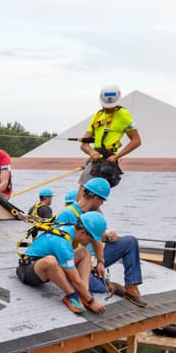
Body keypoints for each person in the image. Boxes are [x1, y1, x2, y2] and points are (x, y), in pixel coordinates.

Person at [15, 203, 105, 314]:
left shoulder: (71, 227)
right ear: (82, 232)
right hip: (28, 270)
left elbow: (92, 242)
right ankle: (71, 295)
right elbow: (75, 279)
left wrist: (101, 261)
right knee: (51, 261)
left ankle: (84, 293)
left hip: (43, 264)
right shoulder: (62, 244)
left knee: (84, 251)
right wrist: (91, 302)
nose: (90, 243)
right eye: (90, 240)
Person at [70, 177, 143, 305]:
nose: (102, 203)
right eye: (102, 200)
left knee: (130, 242)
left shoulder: (95, 212)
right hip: (81, 259)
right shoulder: (69, 214)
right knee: (97, 287)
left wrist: (107, 237)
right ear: (96, 198)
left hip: (96, 257)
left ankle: (132, 286)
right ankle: (105, 283)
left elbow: (98, 237)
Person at [78, 85, 141, 185]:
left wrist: (117, 156)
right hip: (94, 162)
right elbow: (83, 144)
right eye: (106, 106)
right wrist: (92, 152)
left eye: (111, 106)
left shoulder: (123, 115)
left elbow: (136, 141)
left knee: (89, 193)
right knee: (84, 192)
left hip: (108, 163)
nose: (108, 108)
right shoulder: (97, 115)